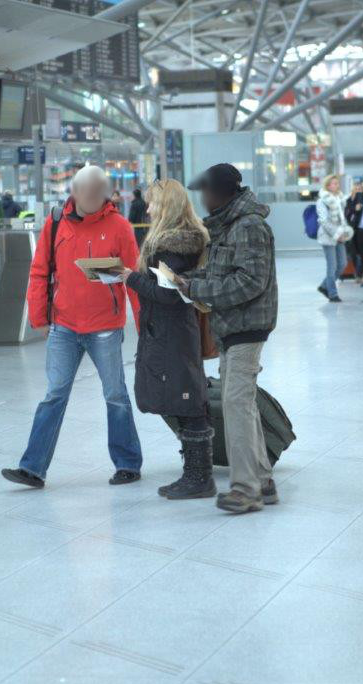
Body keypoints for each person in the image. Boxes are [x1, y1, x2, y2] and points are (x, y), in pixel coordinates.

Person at [2, 165, 142, 489]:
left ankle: (128, 463)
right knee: (54, 395)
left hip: (105, 326)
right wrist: (39, 316)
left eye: (98, 195)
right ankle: (33, 468)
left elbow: (134, 279)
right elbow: (39, 271)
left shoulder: (119, 227)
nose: (92, 201)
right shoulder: (54, 223)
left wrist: (144, 320)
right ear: (75, 193)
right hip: (64, 326)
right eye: (86, 194)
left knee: (115, 395)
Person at [175, 163, 278, 514]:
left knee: (235, 406)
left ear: (222, 192)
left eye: (205, 191)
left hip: (247, 328)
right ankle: (262, 480)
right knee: (243, 405)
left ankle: (245, 489)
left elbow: (250, 282)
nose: (202, 198)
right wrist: (187, 279)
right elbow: (224, 272)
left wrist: (200, 288)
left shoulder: (248, 226)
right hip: (231, 327)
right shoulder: (228, 227)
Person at [118, 179, 215, 500]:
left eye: (153, 204)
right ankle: (196, 472)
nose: (147, 209)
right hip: (170, 332)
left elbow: (167, 295)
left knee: (187, 401)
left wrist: (130, 278)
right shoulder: (183, 241)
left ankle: (199, 477)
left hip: (171, 332)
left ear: (167, 207)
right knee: (181, 397)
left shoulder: (172, 246)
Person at [316, 174, 353, 302]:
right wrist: (337, 235)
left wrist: (343, 233)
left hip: (340, 236)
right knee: (332, 266)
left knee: (342, 264)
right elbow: (324, 221)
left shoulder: (340, 199)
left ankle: (324, 285)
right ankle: (332, 294)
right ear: (327, 186)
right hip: (328, 237)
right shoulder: (322, 201)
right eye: (333, 183)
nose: (336, 185)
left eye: (337, 183)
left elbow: (342, 219)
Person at [345, 180, 363, 283]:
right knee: (353, 253)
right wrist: (354, 209)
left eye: (360, 189)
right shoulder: (348, 200)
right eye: (356, 188)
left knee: (362, 253)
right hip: (351, 230)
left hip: (360, 229)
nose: (358, 191)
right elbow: (346, 214)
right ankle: (357, 273)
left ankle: (361, 274)